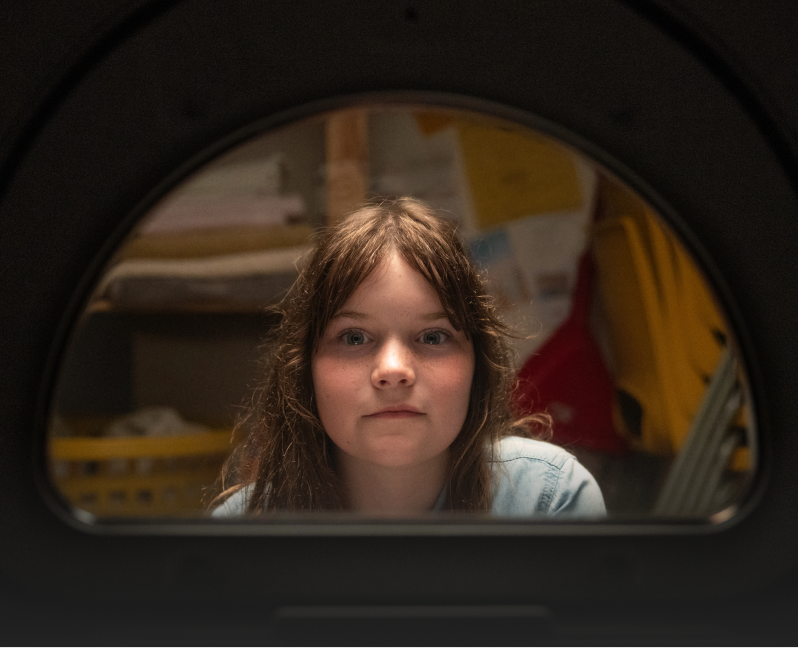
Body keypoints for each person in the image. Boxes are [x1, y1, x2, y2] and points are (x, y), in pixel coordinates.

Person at [211, 197, 605, 517]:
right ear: (304, 372)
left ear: (477, 367)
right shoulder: (241, 531)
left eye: (433, 337)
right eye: (353, 337)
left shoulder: (550, 502)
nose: (394, 370)